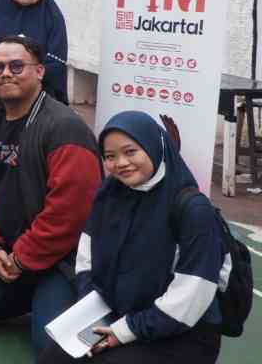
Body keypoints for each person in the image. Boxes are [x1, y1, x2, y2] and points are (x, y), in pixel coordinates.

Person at [0, 35, 102, 355]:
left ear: (40, 71)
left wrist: (23, 258)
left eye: (17, 66)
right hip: (7, 247)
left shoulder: (65, 129)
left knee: (51, 349)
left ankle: (58, 298)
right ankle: (34, 296)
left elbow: (70, 212)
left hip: (63, 258)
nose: (6, 73)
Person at [37, 111, 228, 364]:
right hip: (118, 314)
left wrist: (126, 331)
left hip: (182, 332)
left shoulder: (193, 210)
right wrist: (92, 309)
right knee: (54, 358)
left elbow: (190, 298)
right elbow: (86, 260)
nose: (121, 163)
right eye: (110, 156)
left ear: (153, 145)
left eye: (130, 152)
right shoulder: (109, 194)